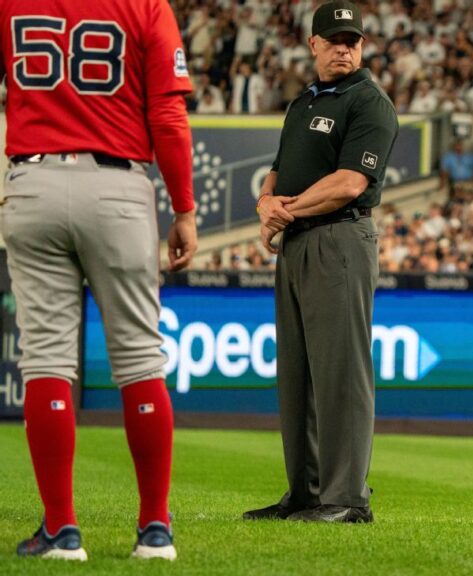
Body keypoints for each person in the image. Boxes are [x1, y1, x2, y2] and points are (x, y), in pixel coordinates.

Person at [1, 0, 197, 561]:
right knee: (139, 358)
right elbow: (167, 114)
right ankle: (155, 530)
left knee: (45, 361)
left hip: (33, 179)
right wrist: (184, 208)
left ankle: (62, 532)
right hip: (118, 187)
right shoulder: (145, 4)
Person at [244, 1, 398, 524]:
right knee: (298, 375)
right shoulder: (303, 103)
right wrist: (267, 203)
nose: (344, 48)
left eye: (352, 40)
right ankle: (306, 494)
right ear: (313, 45)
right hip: (297, 244)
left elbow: (350, 182)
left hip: (339, 241)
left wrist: (281, 211)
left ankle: (346, 499)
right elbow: (276, 170)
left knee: (341, 374)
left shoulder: (369, 102)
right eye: (334, 40)